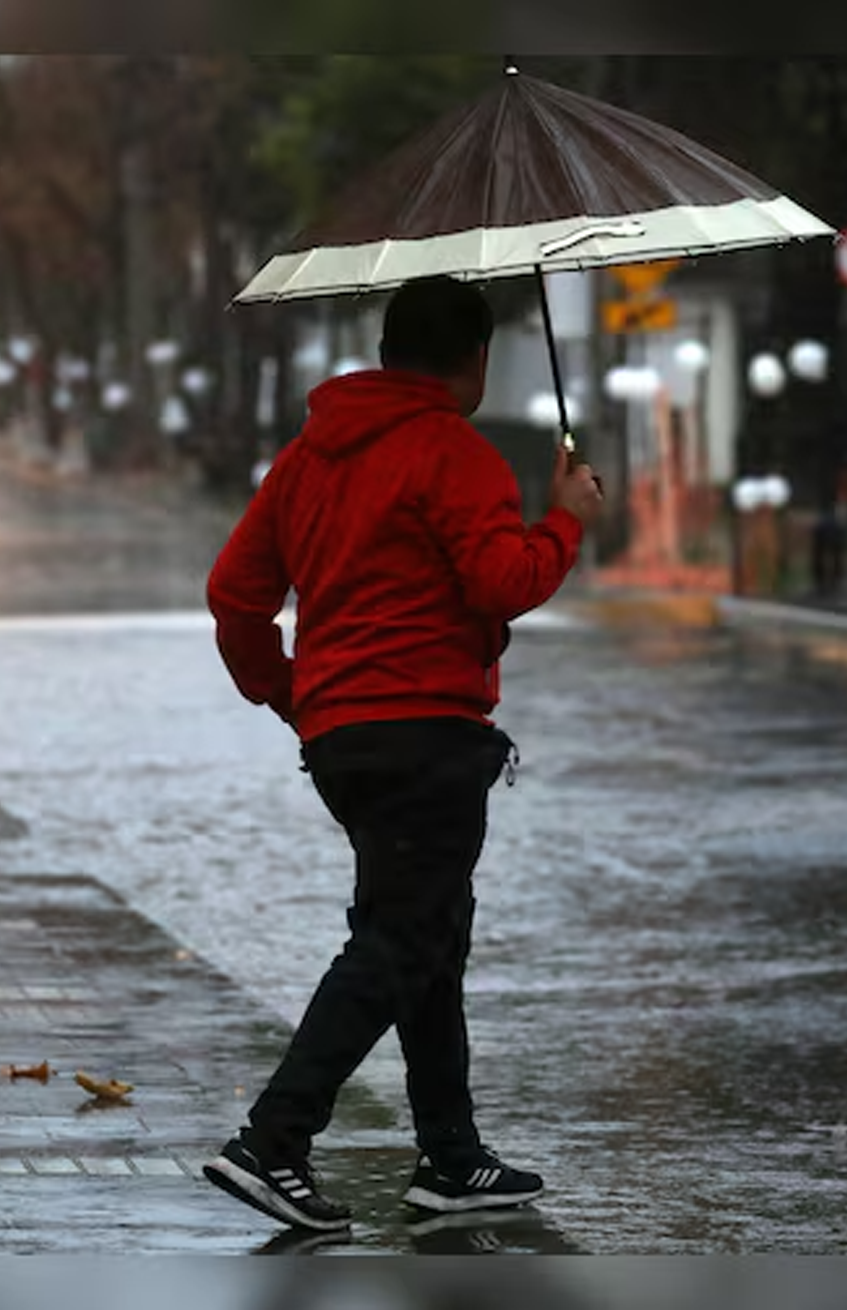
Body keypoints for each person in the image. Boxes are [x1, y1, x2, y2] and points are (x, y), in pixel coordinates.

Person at [202, 274, 605, 1233]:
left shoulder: (305, 460)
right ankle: (273, 1141)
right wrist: (568, 519)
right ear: (474, 359)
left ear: (387, 351)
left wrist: (296, 695)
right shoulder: (454, 454)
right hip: (428, 732)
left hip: (344, 739)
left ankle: (451, 1159)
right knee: (403, 939)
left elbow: (235, 594)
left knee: (430, 929)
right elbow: (502, 582)